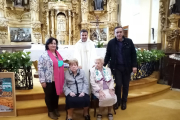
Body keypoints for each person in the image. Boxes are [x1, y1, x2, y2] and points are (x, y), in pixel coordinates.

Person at [104, 26, 137, 110]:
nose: (119, 34)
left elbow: (133, 54)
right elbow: (108, 55)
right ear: (114, 33)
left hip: (127, 67)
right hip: (116, 67)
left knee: (126, 85)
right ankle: (118, 101)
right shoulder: (111, 43)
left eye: (120, 32)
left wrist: (134, 66)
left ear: (123, 33)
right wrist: (103, 65)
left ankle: (124, 101)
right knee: (118, 85)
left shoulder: (129, 42)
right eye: (117, 32)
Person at [38, 37, 64, 119]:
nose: (53, 45)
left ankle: (55, 108)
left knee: (56, 95)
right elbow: (40, 68)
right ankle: (50, 111)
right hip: (48, 79)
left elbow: (61, 65)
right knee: (49, 95)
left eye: (55, 43)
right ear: (48, 45)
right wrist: (42, 81)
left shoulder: (57, 54)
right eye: (51, 43)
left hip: (57, 80)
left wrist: (72, 66)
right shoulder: (44, 55)